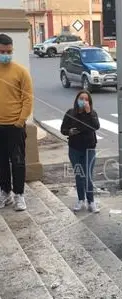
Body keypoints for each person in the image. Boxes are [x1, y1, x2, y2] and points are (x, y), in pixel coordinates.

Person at [0, 34, 33, 211]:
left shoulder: (21, 72)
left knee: (18, 162)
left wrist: (20, 121)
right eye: (2, 51)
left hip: (15, 126)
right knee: (2, 163)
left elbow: (27, 99)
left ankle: (20, 195)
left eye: (9, 51)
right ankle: (6, 193)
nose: (6, 54)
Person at [61, 90, 100, 213]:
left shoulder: (92, 113)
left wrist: (88, 113)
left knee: (88, 175)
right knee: (79, 175)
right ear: (77, 100)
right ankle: (81, 199)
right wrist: (69, 131)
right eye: (81, 98)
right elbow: (63, 129)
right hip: (75, 148)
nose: (84, 101)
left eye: (86, 99)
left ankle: (91, 201)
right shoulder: (71, 113)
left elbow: (96, 126)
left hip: (89, 148)